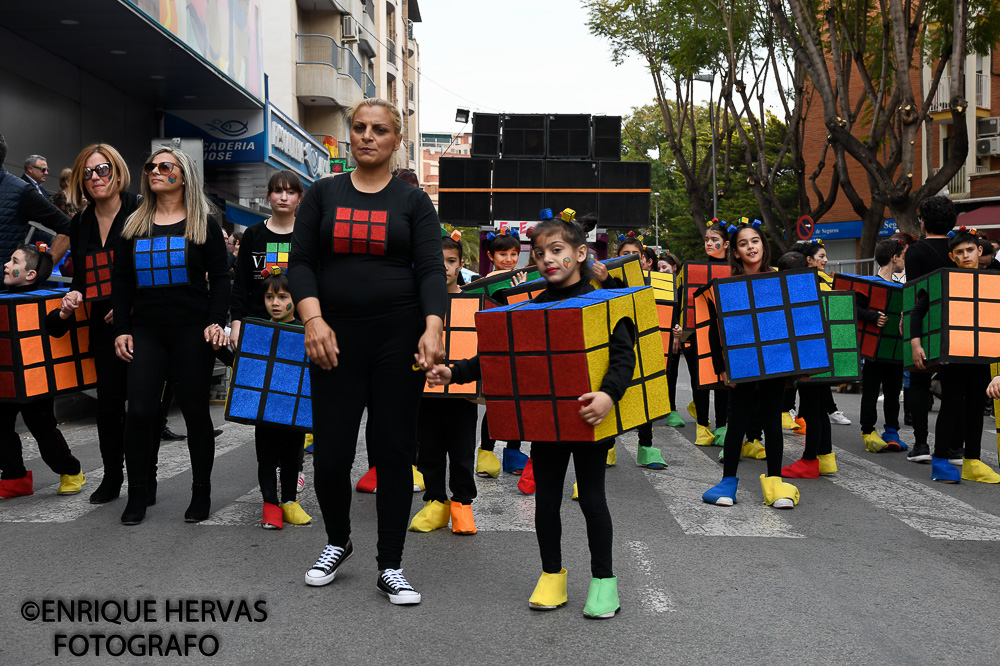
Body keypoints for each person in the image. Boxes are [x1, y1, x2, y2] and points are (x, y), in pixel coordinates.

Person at [426, 215, 630, 619]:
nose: (547, 260)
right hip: (546, 420)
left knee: (592, 500)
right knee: (547, 501)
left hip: (591, 418)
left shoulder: (605, 301)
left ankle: (604, 581)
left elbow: (624, 356)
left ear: (580, 253)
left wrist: (608, 396)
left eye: (557, 250)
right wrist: (455, 372)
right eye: (539, 254)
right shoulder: (531, 307)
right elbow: (497, 356)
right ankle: (551, 574)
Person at [289, 98, 445, 605]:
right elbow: (302, 264)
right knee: (331, 457)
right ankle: (338, 541)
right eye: (359, 128)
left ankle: (391, 564)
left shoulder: (414, 203)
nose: (367, 136)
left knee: (394, 452)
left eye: (379, 129)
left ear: (397, 141)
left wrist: (433, 327)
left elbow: (429, 270)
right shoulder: (321, 194)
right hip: (334, 339)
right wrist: (313, 320)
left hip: (398, 340)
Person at [112, 147, 230, 526]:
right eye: (151, 166)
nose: (156, 171)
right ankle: (140, 490)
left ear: (184, 175)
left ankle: (201, 492)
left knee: (196, 413)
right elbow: (122, 283)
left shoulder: (203, 223)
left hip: (191, 332)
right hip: (146, 331)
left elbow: (222, 278)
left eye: (166, 166)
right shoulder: (133, 224)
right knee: (141, 413)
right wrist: (121, 330)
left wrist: (216, 322)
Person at [58, 143, 141, 504]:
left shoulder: (140, 209)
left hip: (141, 320)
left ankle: (143, 480)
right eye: (88, 173)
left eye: (103, 169)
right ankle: (112, 476)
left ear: (117, 172)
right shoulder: (80, 222)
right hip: (101, 324)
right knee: (108, 404)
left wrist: (130, 306)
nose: (96, 178)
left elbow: (159, 267)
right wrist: (74, 295)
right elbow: (82, 279)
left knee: (141, 405)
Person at [703, 221, 799, 509]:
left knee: (771, 421)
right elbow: (713, 329)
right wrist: (721, 367)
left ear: (763, 245)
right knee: (737, 422)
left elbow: (792, 321)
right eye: (744, 243)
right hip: (741, 363)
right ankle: (728, 483)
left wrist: (797, 366)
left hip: (773, 362)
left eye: (755, 241)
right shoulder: (725, 286)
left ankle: (775, 483)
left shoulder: (778, 280)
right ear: (735, 252)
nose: (751, 247)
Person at [408, 230, 480, 534]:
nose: (444, 267)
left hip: (463, 396)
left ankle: (462, 504)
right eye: (437, 261)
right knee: (429, 450)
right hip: (425, 394)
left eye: (451, 261)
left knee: (463, 451)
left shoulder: (475, 303)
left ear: (460, 264)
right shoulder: (416, 304)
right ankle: (435, 501)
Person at [0, 245, 86, 499]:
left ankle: (71, 472)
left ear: (29, 274)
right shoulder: (3, 297)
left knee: (43, 429)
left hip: (35, 382)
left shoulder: (46, 298)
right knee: (1, 430)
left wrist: (64, 313)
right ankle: (15, 478)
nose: (6, 264)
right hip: (5, 380)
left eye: (14, 261)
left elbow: (55, 326)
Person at [919, 228, 999, 483]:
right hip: (954, 354)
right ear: (952, 256)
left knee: (976, 407)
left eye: (969, 250)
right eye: (959, 252)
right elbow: (918, 309)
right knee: (952, 405)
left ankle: (972, 461)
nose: (965, 256)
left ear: (979, 251)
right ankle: (940, 461)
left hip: (984, 354)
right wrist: (915, 344)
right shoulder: (945, 279)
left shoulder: (994, 280)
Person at [254, 269, 313, 529]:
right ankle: (270, 505)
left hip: (294, 409)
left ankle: (289, 502)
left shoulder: (306, 331)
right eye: (269, 297)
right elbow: (244, 364)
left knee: (292, 457)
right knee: (266, 459)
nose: (275, 303)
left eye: (281, 296)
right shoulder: (259, 330)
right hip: (264, 410)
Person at [776, 251, 838, 478]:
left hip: (807, 360)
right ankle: (826, 459)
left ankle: (810, 461)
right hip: (823, 358)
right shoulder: (819, 287)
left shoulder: (794, 293)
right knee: (819, 409)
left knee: (812, 411)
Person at [905, 196, 957, 465]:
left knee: (919, 380)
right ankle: (954, 446)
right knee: (954, 383)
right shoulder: (958, 248)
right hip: (957, 323)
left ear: (923, 221)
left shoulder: (916, 251)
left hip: (924, 322)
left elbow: (914, 292)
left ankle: (921, 444)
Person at [229, 170, 304, 350]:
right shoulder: (253, 234)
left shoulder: (308, 235)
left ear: (299, 198)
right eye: (278, 191)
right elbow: (241, 284)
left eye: (291, 192)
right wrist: (236, 324)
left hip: (299, 329)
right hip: (256, 325)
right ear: (268, 196)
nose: (284, 197)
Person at [475, 227, 527, 478]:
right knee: (495, 404)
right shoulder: (483, 283)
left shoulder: (523, 279)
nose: (509, 259)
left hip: (520, 350)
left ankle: (514, 452)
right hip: (495, 350)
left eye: (514, 254)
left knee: (518, 404)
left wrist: (524, 290)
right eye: (503, 254)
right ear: (491, 255)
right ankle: (486, 451)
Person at [675, 221, 730, 444]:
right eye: (707, 240)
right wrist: (679, 330)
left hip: (723, 335)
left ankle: (722, 427)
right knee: (700, 381)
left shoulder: (733, 271)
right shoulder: (691, 271)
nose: (709, 243)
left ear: (726, 244)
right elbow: (680, 300)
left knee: (722, 380)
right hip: (695, 335)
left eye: (714, 240)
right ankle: (702, 427)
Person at [855, 240, 907, 454]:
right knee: (870, 392)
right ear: (894, 258)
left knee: (893, 393)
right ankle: (868, 432)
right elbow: (851, 306)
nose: (904, 260)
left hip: (895, 351)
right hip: (873, 352)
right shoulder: (868, 284)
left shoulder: (903, 287)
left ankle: (892, 432)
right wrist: (872, 316)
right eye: (903, 255)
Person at [0, 135, 71, 264]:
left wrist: (43, 269)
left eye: (47, 169)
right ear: (30, 169)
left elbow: (66, 226)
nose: (46, 173)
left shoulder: (20, 190)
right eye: (43, 169)